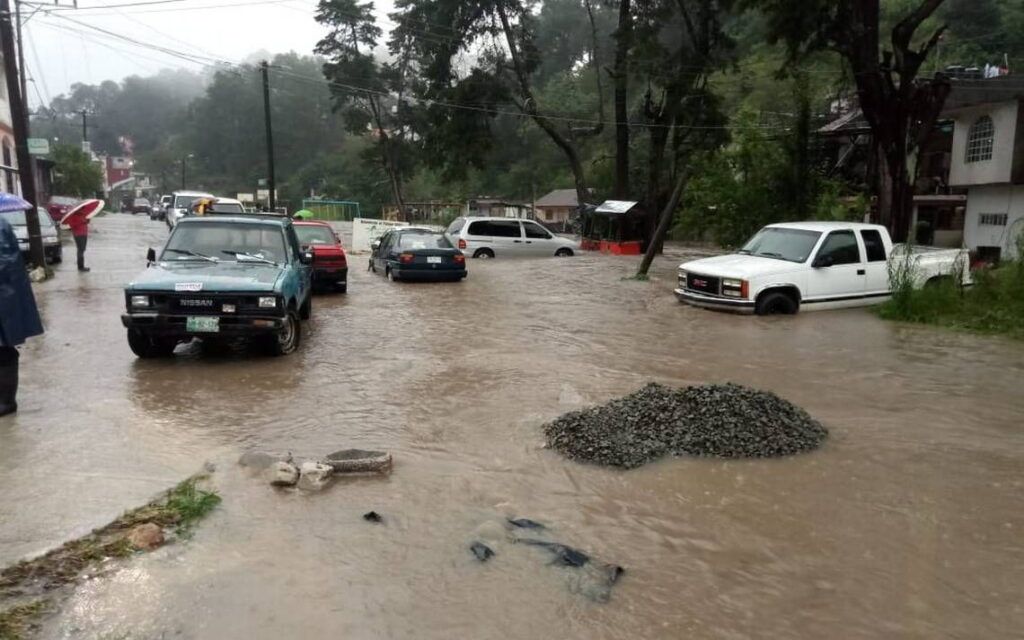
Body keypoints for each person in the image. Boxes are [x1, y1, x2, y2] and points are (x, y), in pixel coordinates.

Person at [0, 214, 44, 417]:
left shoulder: (1, 227)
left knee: (4, 348)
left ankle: (7, 401)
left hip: (4, 297)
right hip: (7, 294)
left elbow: (5, 262)